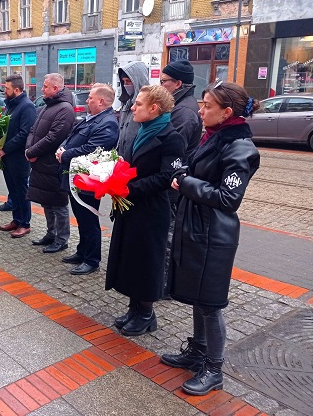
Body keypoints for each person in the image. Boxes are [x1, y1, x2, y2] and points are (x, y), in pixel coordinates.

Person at [161, 81, 260, 396]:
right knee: (197, 295)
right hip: (197, 227)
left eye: (207, 105)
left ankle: (214, 369)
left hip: (213, 234)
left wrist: (186, 183)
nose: (200, 110)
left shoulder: (241, 147)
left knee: (211, 303)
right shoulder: (215, 136)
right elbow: (203, 173)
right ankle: (198, 351)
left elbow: (229, 198)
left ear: (226, 112)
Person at [105, 85, 185, 336]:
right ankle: (134, 309)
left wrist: (130, 190)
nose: (132, 107)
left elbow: (166, 177)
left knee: (147, 262)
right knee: (131, 258)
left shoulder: (172, 137)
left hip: (151, 210)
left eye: (138, 104)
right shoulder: (141, 130)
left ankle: (146, 313)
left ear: (154, 108)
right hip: (131, 208)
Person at [57, 84, 119, 275]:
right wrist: (63, 148)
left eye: (90, 97)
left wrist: (66, 154)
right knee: (81, 219)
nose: (87, 100)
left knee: (88, 220)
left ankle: (92, 260)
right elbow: (71, 137)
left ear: (101, 101)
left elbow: (92, 149)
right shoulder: (92, 118)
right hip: (76, 177)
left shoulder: (107, 122)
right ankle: (82, 251)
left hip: (88, 179)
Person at [160, 60, 203, 297]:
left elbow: (172, 147)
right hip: (170, 179)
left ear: (177, 83)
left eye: (164, 81)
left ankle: (167, 284)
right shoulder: (177, 104)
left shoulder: (184, 111)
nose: (161, 85)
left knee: (169, 233)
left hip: (172, 183)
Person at [25, 73, 75, 253]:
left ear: (56, 88)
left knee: (58, 204)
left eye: (46, 86)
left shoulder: (64, 109)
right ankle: (50, 234)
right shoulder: (48, 106)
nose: (42, 89)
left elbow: (54, 137)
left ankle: (62, 239)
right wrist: (29, 149)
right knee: (46, 201)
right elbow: (33, 129)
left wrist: (32, 151)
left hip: (53, 165)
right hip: (40, 163)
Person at [0, 74, 37, 238]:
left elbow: (24, 133)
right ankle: (16, 219)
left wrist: (5, 149)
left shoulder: (27, 107)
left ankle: (25, 224)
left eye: (7, 88)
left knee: (21, 191)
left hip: (19, 158)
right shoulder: (11, 105)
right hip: (7, 157)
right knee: (13, 190)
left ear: (17, 89)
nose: (4, 91)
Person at [116, 61, 150, 161]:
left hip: (137, 162)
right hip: (123, 163)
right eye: (124, 82)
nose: (126, 85)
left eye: (129, 81)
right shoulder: (126, 104)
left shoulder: (148, 105)